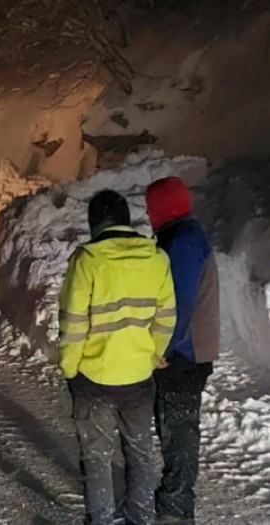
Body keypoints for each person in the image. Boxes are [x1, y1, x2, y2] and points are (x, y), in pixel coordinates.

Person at [58, 190, 177, 525]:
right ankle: (141, 518)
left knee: (96, 457)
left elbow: (73, 325)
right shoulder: (156, 259)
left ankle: (102, 519)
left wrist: (70, 368)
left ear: (94, 224)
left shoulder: (87, 261)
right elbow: (166, 317)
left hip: (94, 380)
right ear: (126, 220)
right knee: (140, 454)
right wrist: (152, 355)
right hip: (139, 379)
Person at [145, 177, 220, 524]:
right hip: (188, 351)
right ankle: (176, 504)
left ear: (163, 207)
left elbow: (180, 301)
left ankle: (175, 510)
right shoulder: (182, 236)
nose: (148, 214)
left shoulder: (183, 241)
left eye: (151, 208)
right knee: (175, 428)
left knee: (178, 430)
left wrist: (164, 347)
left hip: (184, 354)